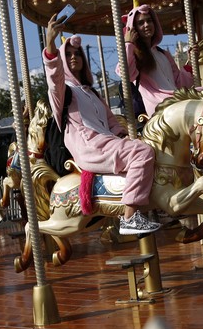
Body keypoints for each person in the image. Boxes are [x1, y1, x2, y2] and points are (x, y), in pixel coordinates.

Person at [43, 13, 160, 235]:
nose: (73, 57)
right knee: (142, 153)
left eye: (77, 54)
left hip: (105, 142)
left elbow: (111, 121)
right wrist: (50, 45)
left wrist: (124, 136)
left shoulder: (91, 92)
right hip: (91, 147)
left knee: (148, 146)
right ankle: (130, 218)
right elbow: (54, 77)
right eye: (67, 55)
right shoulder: (62, 92)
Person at [121, 3, 197, 117]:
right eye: (141, 23)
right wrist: (128, 44)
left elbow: (180, 83)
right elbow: (126, 74)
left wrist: (191, 62)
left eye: (149, 21)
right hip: (162, 106)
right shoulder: (134, 55)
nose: (146, 25)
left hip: (177, 98)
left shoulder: (163, 54)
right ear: (133, 29)